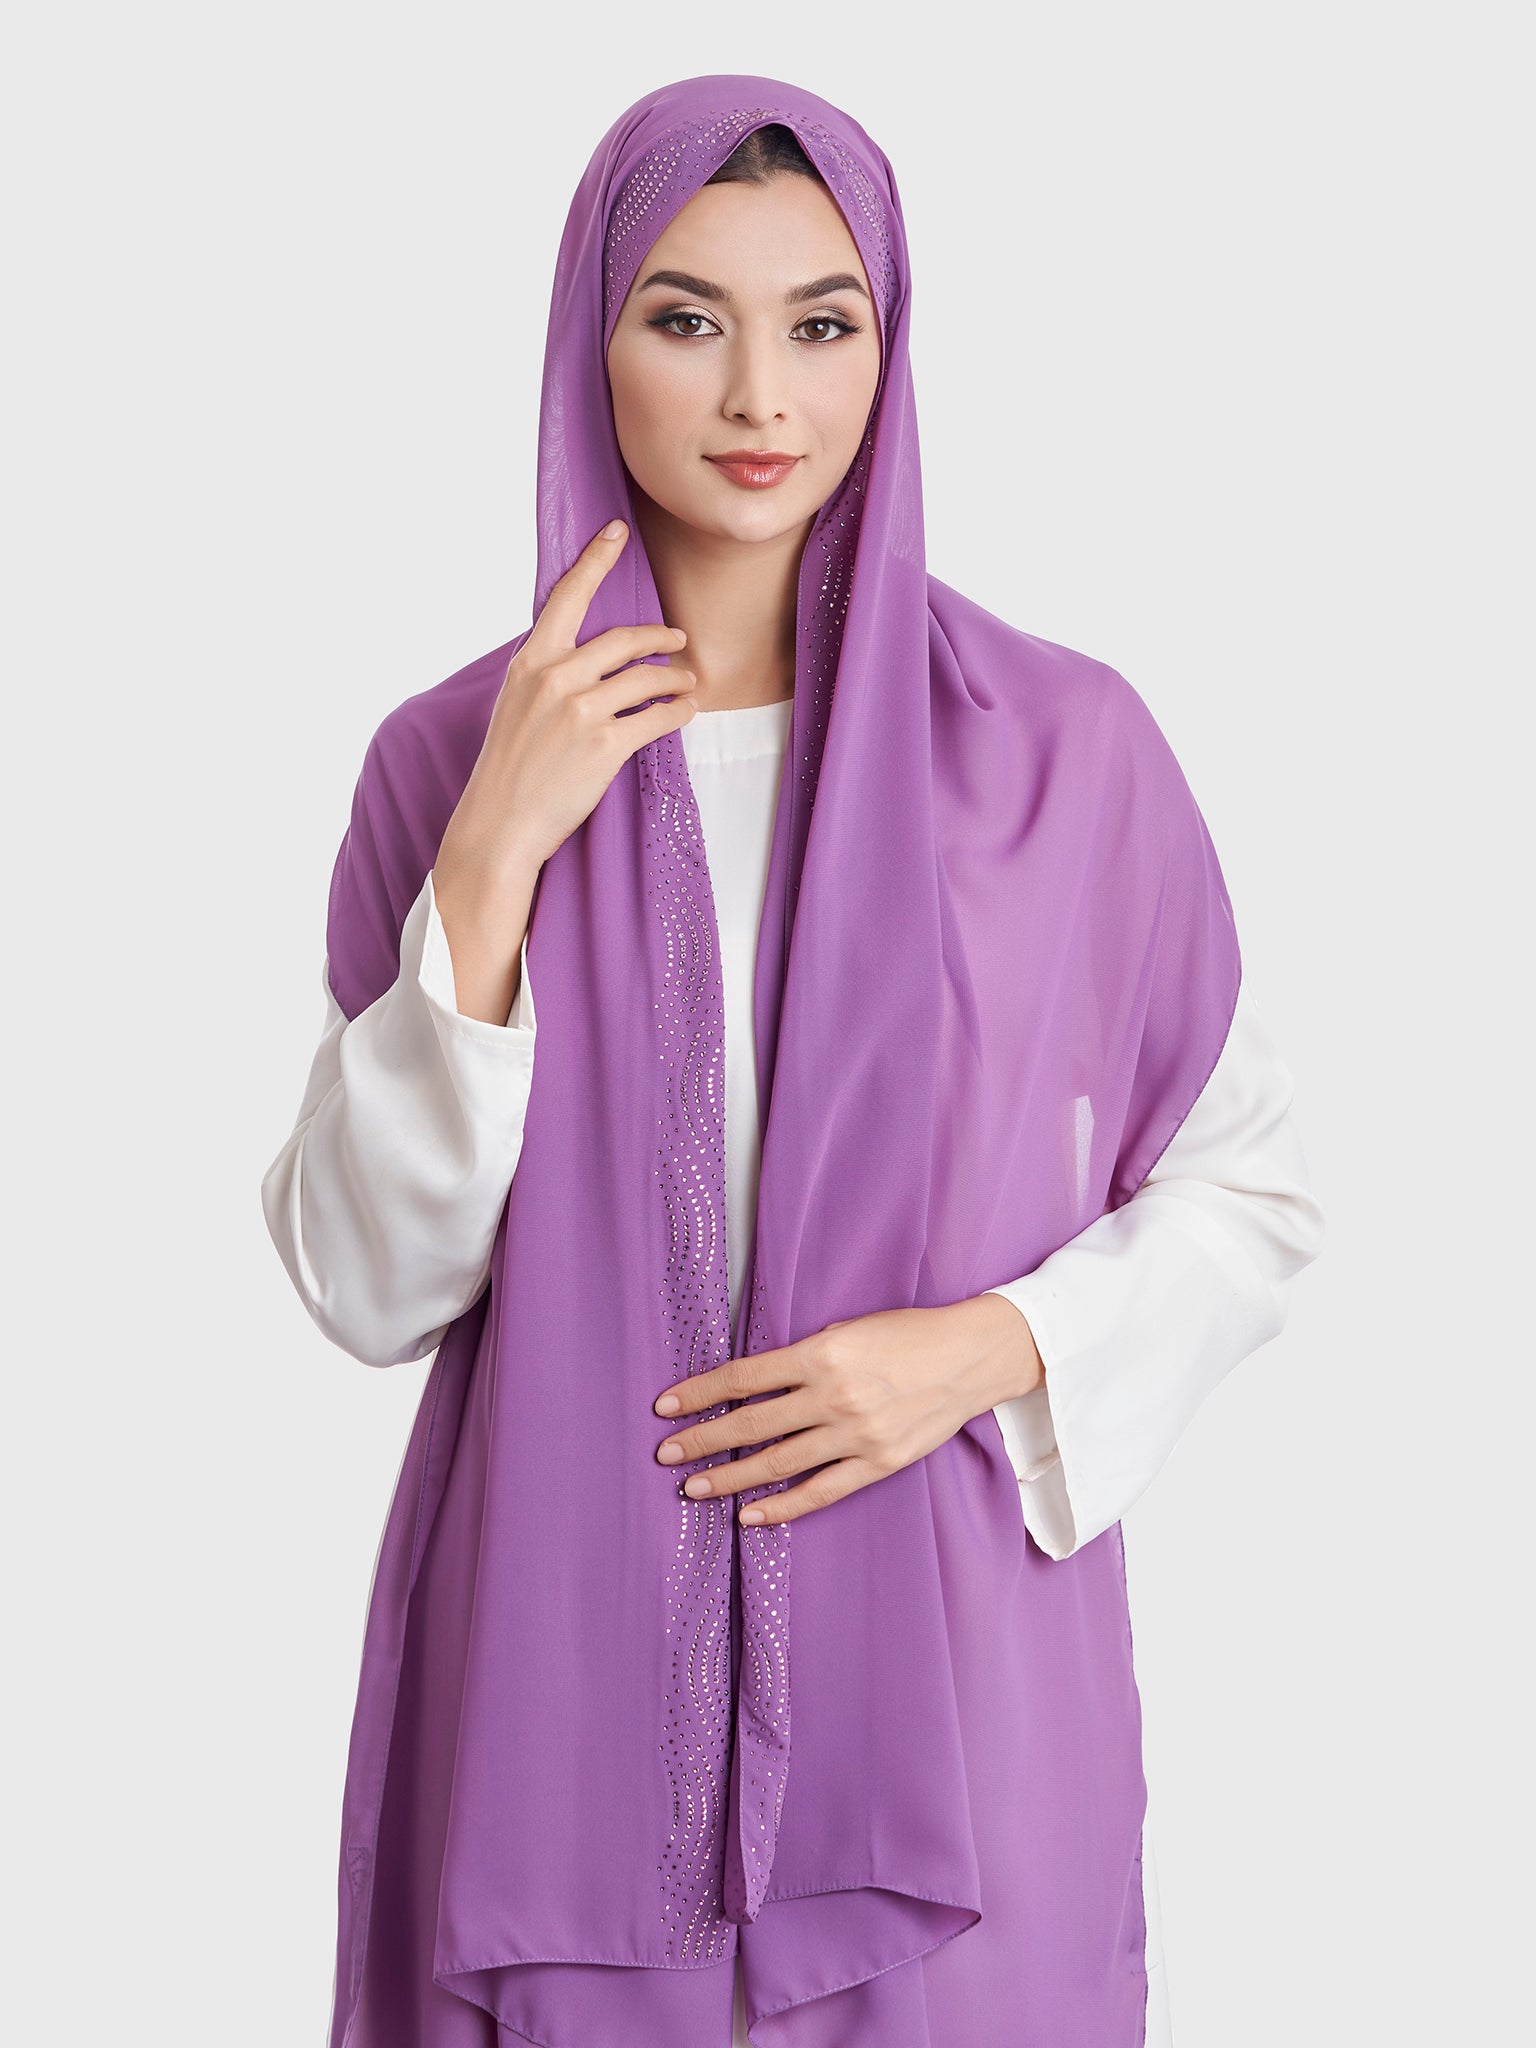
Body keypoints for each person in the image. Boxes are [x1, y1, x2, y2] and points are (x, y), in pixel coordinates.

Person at [263, 79, 1326, 2048]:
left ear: (888, 349)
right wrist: (493, 857)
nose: (762, 395)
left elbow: (1249, 1188)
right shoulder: (450, 761)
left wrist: (982, 1349)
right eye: (687, 319)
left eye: (823, 323)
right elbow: (365, 1279)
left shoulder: (1060, 754)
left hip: (963, 1707)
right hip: (560, 1710)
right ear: (590, 344)